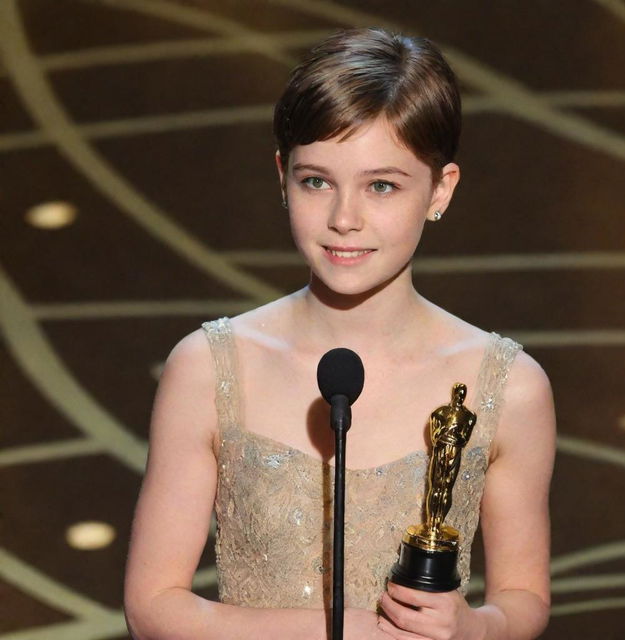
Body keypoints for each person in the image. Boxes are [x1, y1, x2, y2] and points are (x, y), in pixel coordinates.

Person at [124, 27, 556, 640]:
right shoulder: (208, 367)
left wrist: (474, 628)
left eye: (382, 185)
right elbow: (154, 605)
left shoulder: (508, 387)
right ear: (282, 177)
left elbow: (523, 597)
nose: (344, 219)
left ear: (441, 189)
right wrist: (365, 631)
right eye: (316, 181)